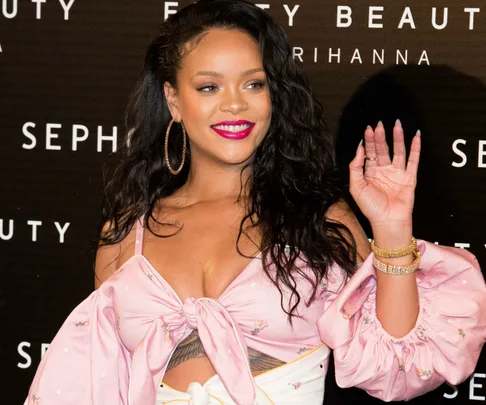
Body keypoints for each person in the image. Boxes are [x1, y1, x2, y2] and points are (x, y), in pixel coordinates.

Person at [24, 0, 486, 404]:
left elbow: (401, 360)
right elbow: (99, 386)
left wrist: (390, 229)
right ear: (173, 99)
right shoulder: (126, 233)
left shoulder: (319, 221)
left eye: (253, 84)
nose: (234, 105)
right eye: (209, 87)